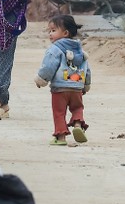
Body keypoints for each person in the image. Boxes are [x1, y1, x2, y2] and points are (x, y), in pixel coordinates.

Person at [34, 15, 91, 146]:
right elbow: (87, 69)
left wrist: (41, 80)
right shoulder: (80, 50)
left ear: (65, 33)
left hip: (60, 89)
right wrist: (86, 84)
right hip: (77, 87)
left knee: (59, 112)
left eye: (53, 30)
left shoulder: (55, 49)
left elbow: (48, 67)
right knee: (77, 108)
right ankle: (77, 124)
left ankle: (60, 137)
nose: (50, 34)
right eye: (49, 31)